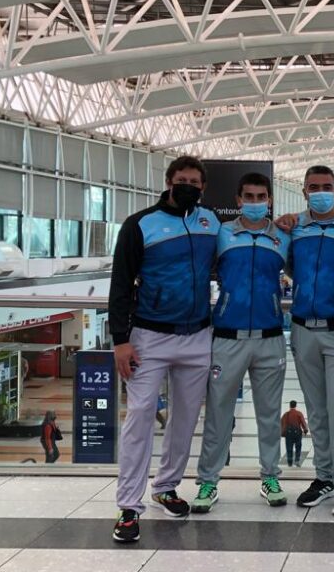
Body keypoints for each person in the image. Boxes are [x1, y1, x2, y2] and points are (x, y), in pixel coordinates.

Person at [108, 155, 220, 543]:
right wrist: (120, 340)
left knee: (185, 419)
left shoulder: (210, 222)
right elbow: (120, 285)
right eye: (182, 179)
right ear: (169, 182)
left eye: (195, 181)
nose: (189, 185)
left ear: (203, 188)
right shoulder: (139, 225)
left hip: (197, 336)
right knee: (139, 416)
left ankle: (166, 486)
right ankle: (128, 506)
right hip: (148, 338)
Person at [192, 172, 292, 514]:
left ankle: (270, 477)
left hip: (270, 337)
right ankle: (208, 480)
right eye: (248, 196)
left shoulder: (282, 236)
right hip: (227, 337)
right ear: (238, 200)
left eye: (260, 196)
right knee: (219, 414)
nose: (254, 202)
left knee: (268, 414)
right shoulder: (221, 234)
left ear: (270, 200)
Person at [274, 165, 334, 516]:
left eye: (326, 186)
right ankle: (324, 477)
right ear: (304, 191)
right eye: (313, 187)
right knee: (316, 410)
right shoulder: (294, 227)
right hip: (301, 328)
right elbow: (289, 268)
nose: (320, 192)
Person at [281, 401, 308, 467]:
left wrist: (283, 432)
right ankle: (297, 460)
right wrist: (305, 430)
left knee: (289, 447)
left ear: (290, 405)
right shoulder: (299, 413)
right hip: (297, 432)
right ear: (296, 405)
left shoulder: (286, 414)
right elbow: (303, 422)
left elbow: (282, 423)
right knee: (298, 446)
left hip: (289, 433)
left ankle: (290, 462)